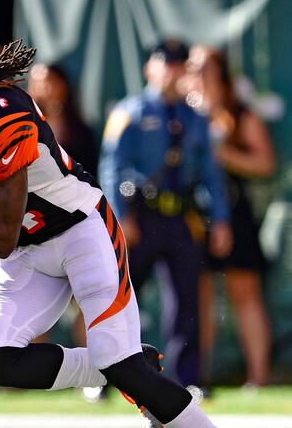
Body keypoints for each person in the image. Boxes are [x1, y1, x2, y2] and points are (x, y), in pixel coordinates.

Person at [0, 4, 215, 427]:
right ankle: (122, 364)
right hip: (28, 251)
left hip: (78, 232)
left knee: (121, 366)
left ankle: (151, 386)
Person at [98, 40, 233, 391]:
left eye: (179, 65)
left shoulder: (194, 117)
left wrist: (219, 219)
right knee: (120, 299)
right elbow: (113, 167)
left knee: (186, 300)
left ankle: (186, 379)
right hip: (140, 217)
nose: (173, 71)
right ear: (149, 69)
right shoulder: (130, 111)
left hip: (180, 218)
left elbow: (209, 172)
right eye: (165, 64)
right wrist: (119, 217)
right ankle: (103, 375)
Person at [187, 46, 274, 387]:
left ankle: (259, 378)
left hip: (234, 213)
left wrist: (221, 154)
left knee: (244, 292)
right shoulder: (180, 113)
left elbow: (265, 164)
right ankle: (197, 377)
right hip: (193, 213)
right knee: (198, 297)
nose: (195, 73)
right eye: (192, 67)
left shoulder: (240, 114)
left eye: (203, 67)